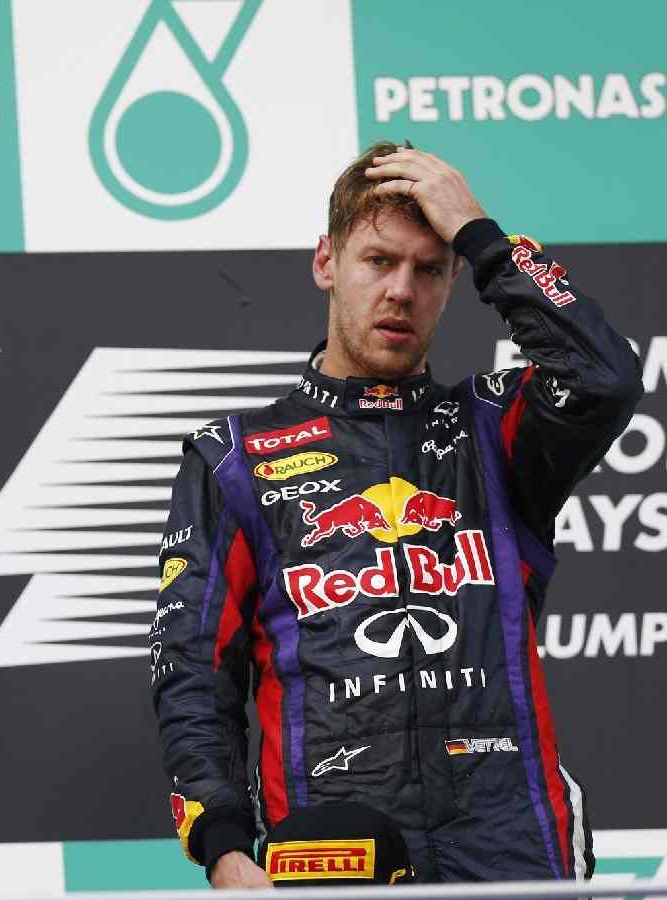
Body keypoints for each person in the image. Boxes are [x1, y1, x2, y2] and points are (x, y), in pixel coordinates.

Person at [150, 142, 642, 887]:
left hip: (513, 837)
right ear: (326, 262)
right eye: (378, 261)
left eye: (430, 268)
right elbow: (192, 674)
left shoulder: (497, 430)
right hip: (332, 843)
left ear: (453, 281)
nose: (402, 291)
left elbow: (605, 378)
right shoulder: (236, 458)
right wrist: (223, 847)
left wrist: (480, 235)